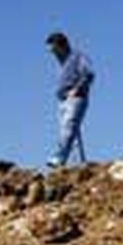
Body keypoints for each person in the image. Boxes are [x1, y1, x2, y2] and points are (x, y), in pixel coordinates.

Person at [45, 31, 94, 168]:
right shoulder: (64, 63)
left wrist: (76, 89)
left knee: (69, 127)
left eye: (55, 50)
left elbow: (89, 74)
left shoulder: (78, 57)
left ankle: (59, 158)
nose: (54, 54)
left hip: (75, 98)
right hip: (63, 100)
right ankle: (78, 164)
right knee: (69, 132)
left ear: (62, 46)